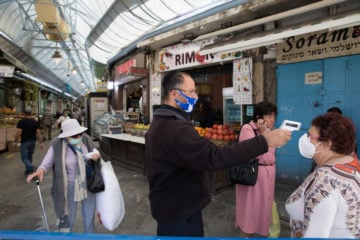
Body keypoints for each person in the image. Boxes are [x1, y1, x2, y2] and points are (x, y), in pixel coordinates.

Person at [144, 71, 291, 237]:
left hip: (171, 207)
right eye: (191, 92)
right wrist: (265, 141)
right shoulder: (175, 129)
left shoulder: (162, 123)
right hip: (179, 213)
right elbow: (215, 156)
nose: (196, 96)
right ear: (174, 94)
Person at [285, 113, 360, 238]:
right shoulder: (352, 165)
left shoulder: (324, 181)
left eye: (310, 136)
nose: (305, 139)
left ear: (327, 144)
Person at [26, 119, 101, 233]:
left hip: (88, 183)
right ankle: (66, 236)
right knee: (69, 215)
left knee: (89, 214)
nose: (79, 137)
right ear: (66, 136)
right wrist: (40, 170)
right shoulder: (57, 144)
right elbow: (46, 163)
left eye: (79, 134)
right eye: (75, 135)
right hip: (68, 186)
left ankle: (89, 236)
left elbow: (94, 151)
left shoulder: (86, 139)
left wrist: (96, 156)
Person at [235, 101, 280, 238]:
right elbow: (252, 153)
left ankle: (262, 231)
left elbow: (271, 153)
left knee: (264, 208)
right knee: (250, 210)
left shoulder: (269, 131)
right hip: (253, 176)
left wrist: (265, 133)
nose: (272, 120)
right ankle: (246, 234)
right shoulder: (248, 129)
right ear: (259, 117)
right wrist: (262, 134)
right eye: (268, 116)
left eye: (274, 116)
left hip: (268, 175)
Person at [14, 107, 44, 175]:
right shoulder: (35, 121)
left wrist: (15, 141)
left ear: (24, 113)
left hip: (25, 142)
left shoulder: (22, 121)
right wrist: (41, 142)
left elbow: (19, 132)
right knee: (29, 156)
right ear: (31, 113)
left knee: (24, 157)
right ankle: (29, 170)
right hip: (33, 142)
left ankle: (32, 168)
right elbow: (38, 133)